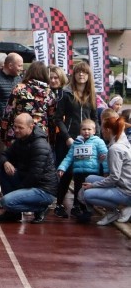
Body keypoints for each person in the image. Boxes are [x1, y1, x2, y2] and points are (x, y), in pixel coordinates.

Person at [53, 61, 99, 218]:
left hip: (87, 140)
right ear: (74, 75)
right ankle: (59, 204)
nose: (81, 75)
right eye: (78, 72)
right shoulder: (66, 93)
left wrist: (96, 138)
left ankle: (78, 205)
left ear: (88, 76)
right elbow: (57, 118)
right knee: (65, 172)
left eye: (85, 72)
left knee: (82, 173)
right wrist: (67, 137)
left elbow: (94, 118)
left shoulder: (91, 94)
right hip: (69, 139)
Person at [0, 113, 59, 224]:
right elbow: (3, 155)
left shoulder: (39, 145)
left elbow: (35, 175)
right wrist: (5, 162)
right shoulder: (21, 140)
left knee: (6, 202)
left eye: (20, 127)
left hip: (44, 189)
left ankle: (40, 208)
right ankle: (13, 214)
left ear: (31, 127)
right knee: (2, 172)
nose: (16, 130)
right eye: (15, 127)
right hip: (28, 181)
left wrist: (18, 191)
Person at [80, 112, 131, 225]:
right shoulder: (122, 141)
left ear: (108, 130)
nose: (101, 132)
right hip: (124, 184)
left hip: (126, 191)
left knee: (87, 194)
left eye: (103, 129)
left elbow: (114, 178)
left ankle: (115, 211)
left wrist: (93, 186)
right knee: (89, 178)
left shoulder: (116, 149)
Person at [56, 118, 108, 222]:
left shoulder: (98, 142)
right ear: (80, 131)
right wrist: (62, 167)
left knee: (87, 192)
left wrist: (106, 170)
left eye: (89, 129)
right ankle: (79, 209)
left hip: (91, 172)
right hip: (78, 172)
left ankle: (87, 211)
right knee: (78, 191)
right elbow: (69, 157)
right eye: (84, 129)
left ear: (94, 131)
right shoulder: (76, 143)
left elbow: (105, 156)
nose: (86, 131)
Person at [0, 61, 54, 147]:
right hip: (40, 133)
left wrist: (3, 134)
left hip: (19, 131)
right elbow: (52, 117)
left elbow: (8, 111)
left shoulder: (19, 88)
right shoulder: (49, 92)